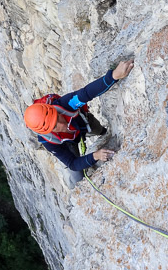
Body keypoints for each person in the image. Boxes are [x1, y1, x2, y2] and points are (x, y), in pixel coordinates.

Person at [24, 59, 135, 188]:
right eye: (54, 126)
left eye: (58, 117)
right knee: (77, 179)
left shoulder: (64, 105)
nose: (61, 124)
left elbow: (86, 93)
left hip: (83, 123)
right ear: (48, 131)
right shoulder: (49, 141)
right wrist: (95, 156)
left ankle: (103, 132)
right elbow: (72, 163)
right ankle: (74, 198)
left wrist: (113, 76)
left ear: (54, 110)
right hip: (68, 143)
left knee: (99, 129)